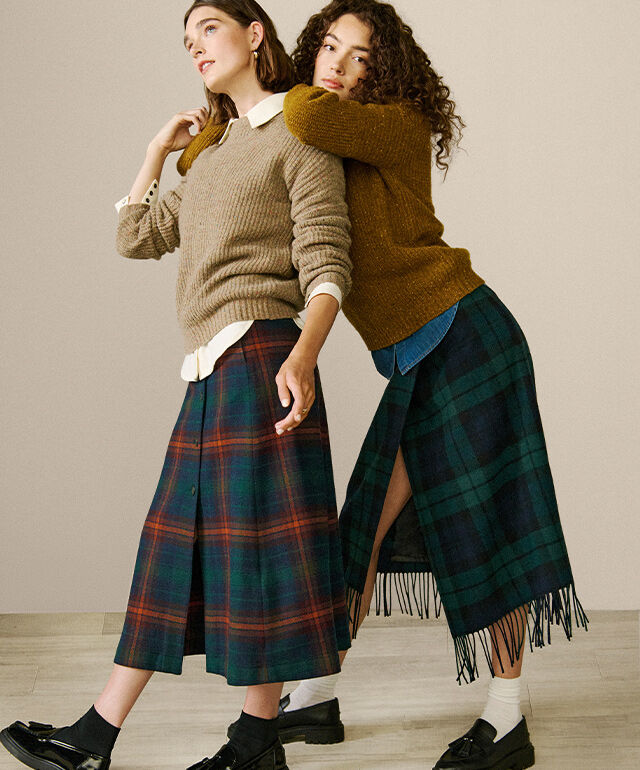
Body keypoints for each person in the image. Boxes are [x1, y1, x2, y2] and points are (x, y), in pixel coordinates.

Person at [179, 1, 589, 768]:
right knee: (360, 531)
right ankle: (316, 694)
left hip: (468, 337)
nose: (337, 63)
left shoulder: (389, 125)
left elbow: (295, 107)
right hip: (423, 353)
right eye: (329, 46)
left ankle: (507, 720)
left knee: (487, 523)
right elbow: (230, 168)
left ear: (386, 70)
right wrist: (205, 135)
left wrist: (284, 83)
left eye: (359, 55)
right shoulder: (324, 140)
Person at [0, 2, 353, 770]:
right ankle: (115, 734)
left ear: (254, 35)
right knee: (175, 550)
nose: (195, 47)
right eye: (186, 41)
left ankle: (213, 739)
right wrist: (159, 149)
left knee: (257, 560)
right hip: (210, 372)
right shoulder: (211, 152)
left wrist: (303, 358)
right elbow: (135, 236)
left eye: (209, 31)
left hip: (262, 356)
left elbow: (327, 264)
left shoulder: (302, 135)